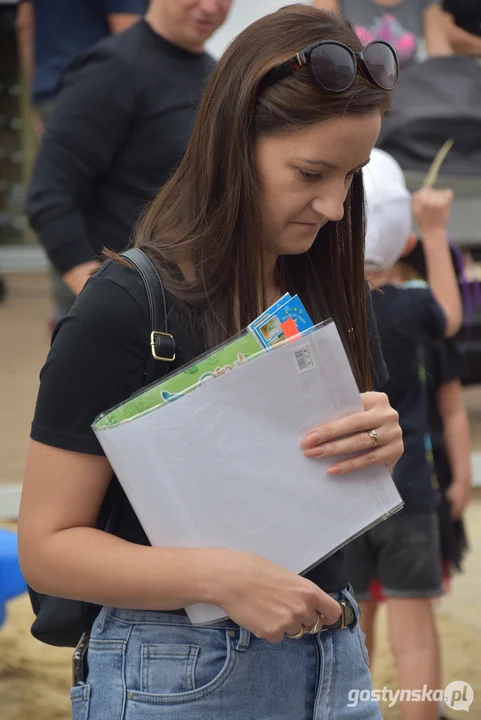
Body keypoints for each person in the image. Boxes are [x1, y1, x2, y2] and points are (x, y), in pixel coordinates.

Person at [19, 6, 404, 719]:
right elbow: (45, 547)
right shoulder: (124, 307)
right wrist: (218, 577)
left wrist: (376, 442)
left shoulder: (321, 288)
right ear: (231, 145)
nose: (331, 205)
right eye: (310, 172)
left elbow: (311, 479)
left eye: (352, 177)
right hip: (175, 669)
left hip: (333, 647)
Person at [345, 149, 463, 720]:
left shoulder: (315, 311)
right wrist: (437, 231)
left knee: (350, 629)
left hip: (339, 501)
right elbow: (451, 314)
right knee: (414, 633)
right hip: (410, 495)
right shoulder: (412, 307)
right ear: (406, 244)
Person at [24, 0, 231, 318]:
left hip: (189, 307)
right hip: (124, 313)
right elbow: (48, 196)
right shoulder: (111, 69)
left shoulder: (215, 74)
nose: (210, 7)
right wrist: (100, 299)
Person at [16, 0, 146, 325]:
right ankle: (96, 316)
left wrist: (38, 94)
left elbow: (24, 22)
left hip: (52, 89)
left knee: (63, 202)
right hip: (104, 93)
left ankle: (68, 319)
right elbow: (131, 31)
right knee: (104, 208)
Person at [313, 0, 453, 65]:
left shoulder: (428, 3)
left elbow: (441, 57)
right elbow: (321, 48)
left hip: (405, 96)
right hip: (356, 92)